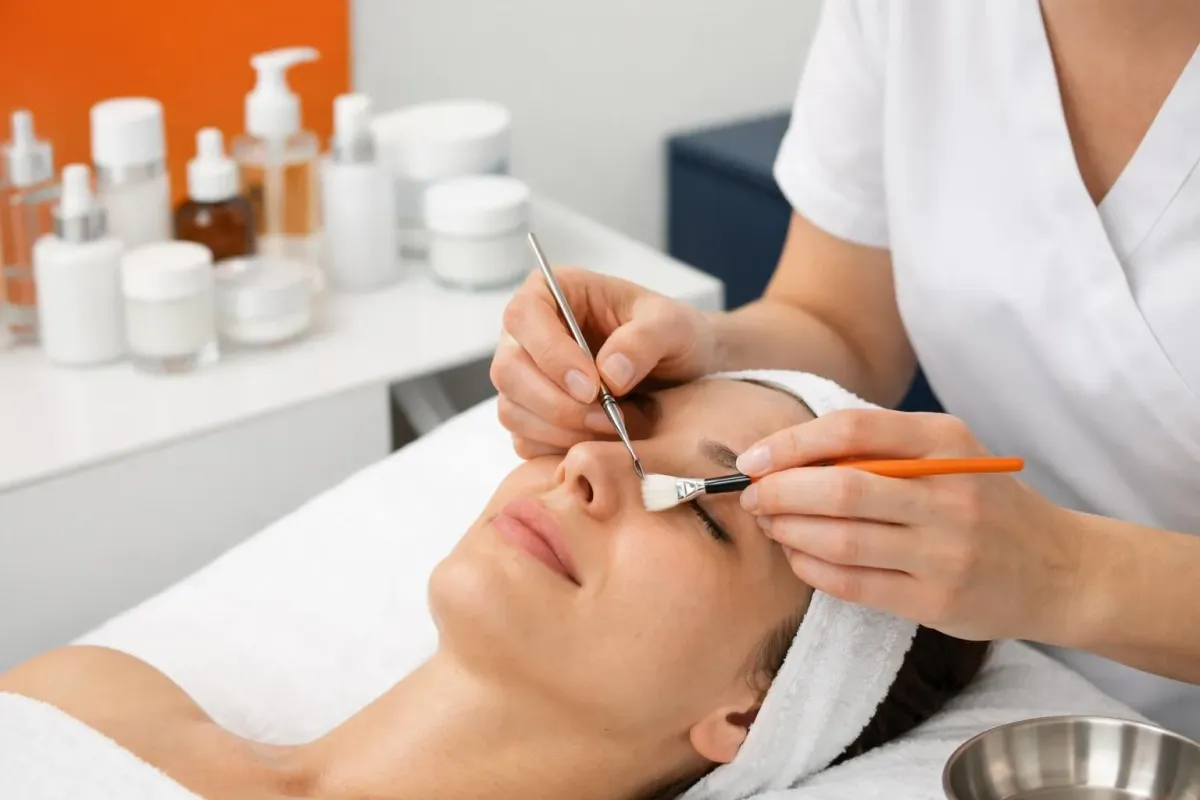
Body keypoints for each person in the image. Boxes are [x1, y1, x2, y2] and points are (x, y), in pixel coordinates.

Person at [489, 0, 1200, 735]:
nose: (583, 467)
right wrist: (707, 348)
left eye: (707, 520)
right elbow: (842, 324)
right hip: (1007, 671)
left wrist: (1065, 572)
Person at [0, 378, 989, 799]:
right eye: (617, 427)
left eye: (700, 509)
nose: (588, 467)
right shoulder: (90, 700)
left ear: (752, 709)